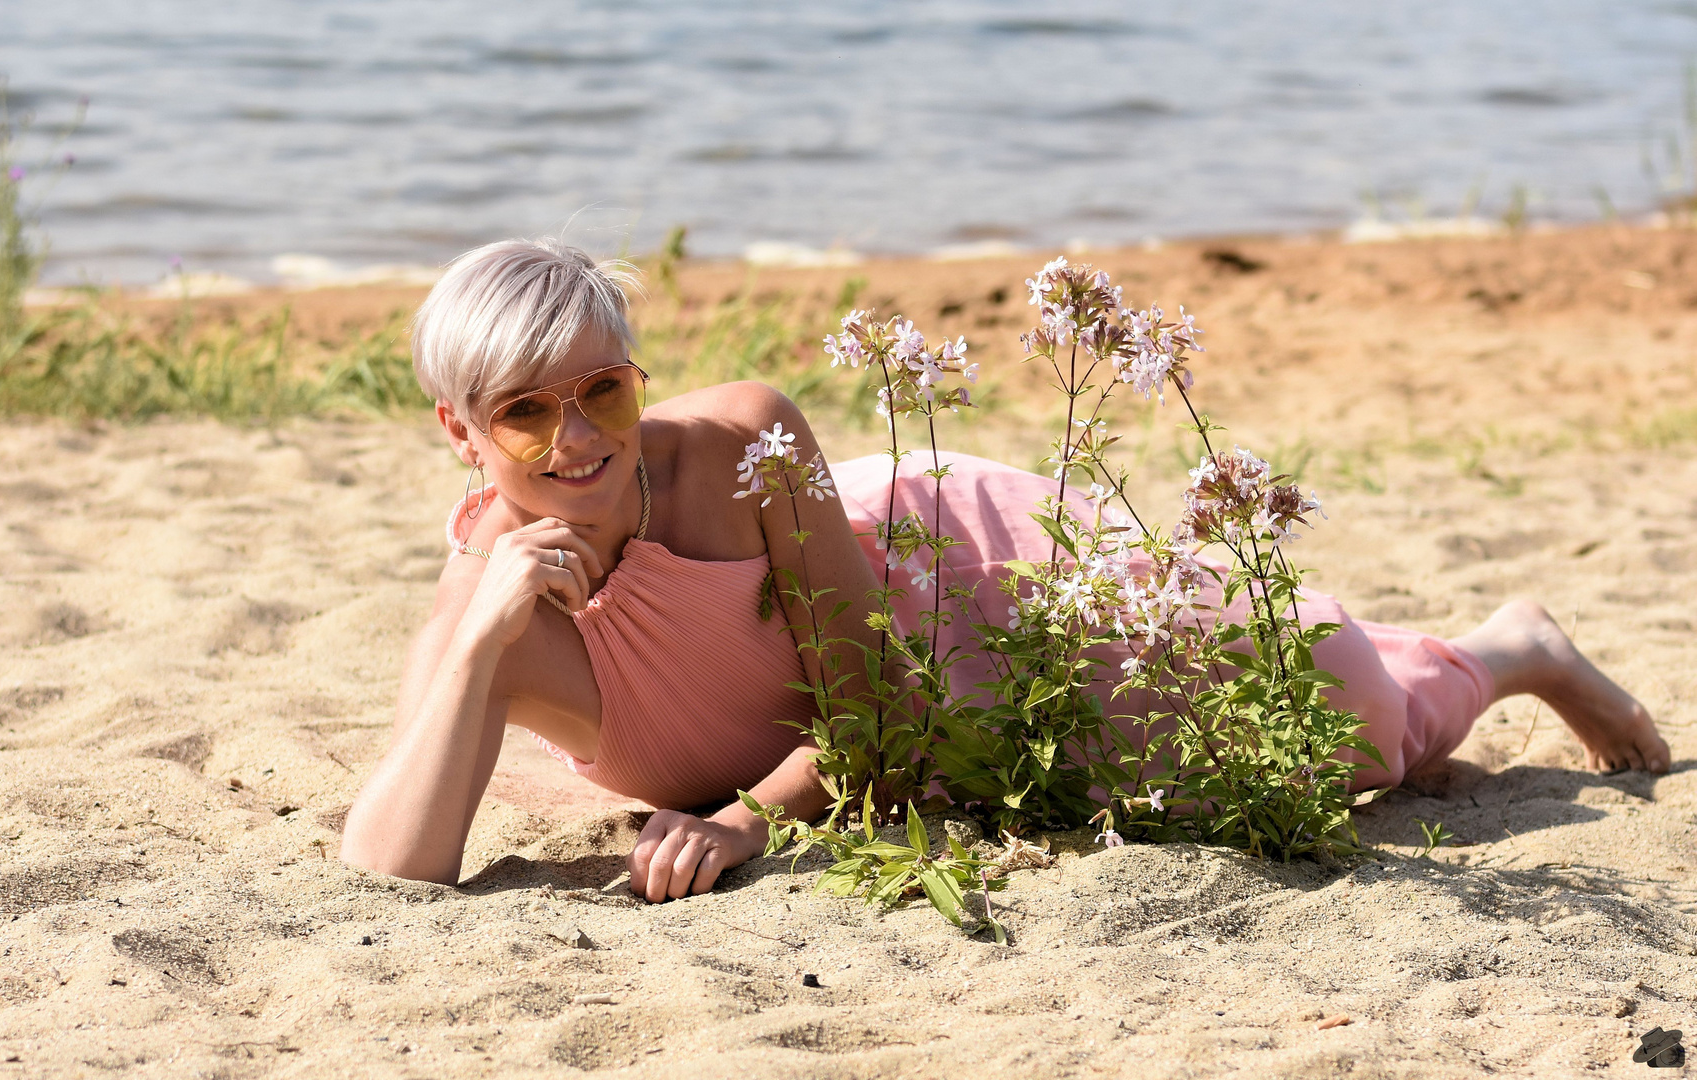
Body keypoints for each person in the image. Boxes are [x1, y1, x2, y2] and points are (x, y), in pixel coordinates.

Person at [339, 238, 1672, 902]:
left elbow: (874, 693)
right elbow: (395, 872)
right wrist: (475, 639)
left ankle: (1509, 651)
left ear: (640, 380)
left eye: (604, 391)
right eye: (523, 413)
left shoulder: (741, 439)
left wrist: (745, 821)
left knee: (1347, 725)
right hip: (906, 724)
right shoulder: (491, 616)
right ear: (457, 430)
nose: (577, 443)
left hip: (951, 583)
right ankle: (1465, 659)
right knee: (1326, 740)